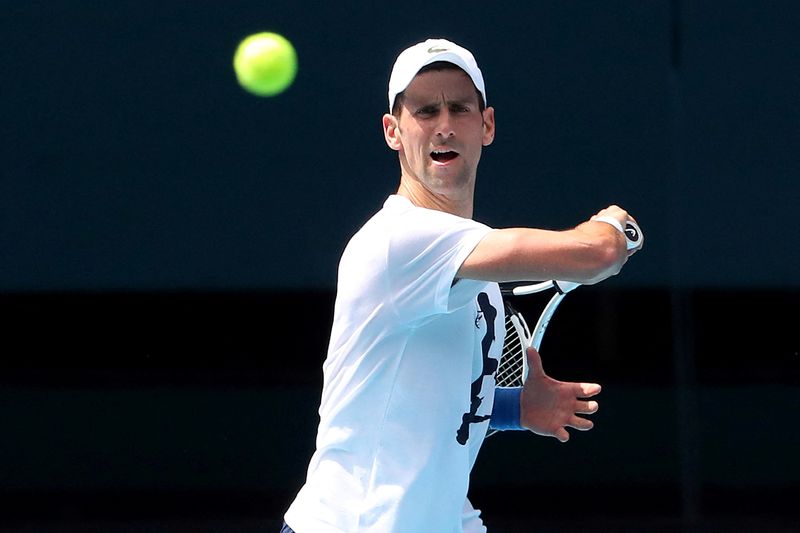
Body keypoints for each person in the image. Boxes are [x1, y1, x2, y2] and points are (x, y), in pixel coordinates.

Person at [281, 38, 642, 533]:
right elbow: (596, 255)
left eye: (459, 108)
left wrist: (515, 409)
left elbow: (434, 402)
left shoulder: (476, 274)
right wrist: (614, 229)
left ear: (486, 124)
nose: (444, 125)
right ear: (393, 131)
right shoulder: (399, 240)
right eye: (426, 111)